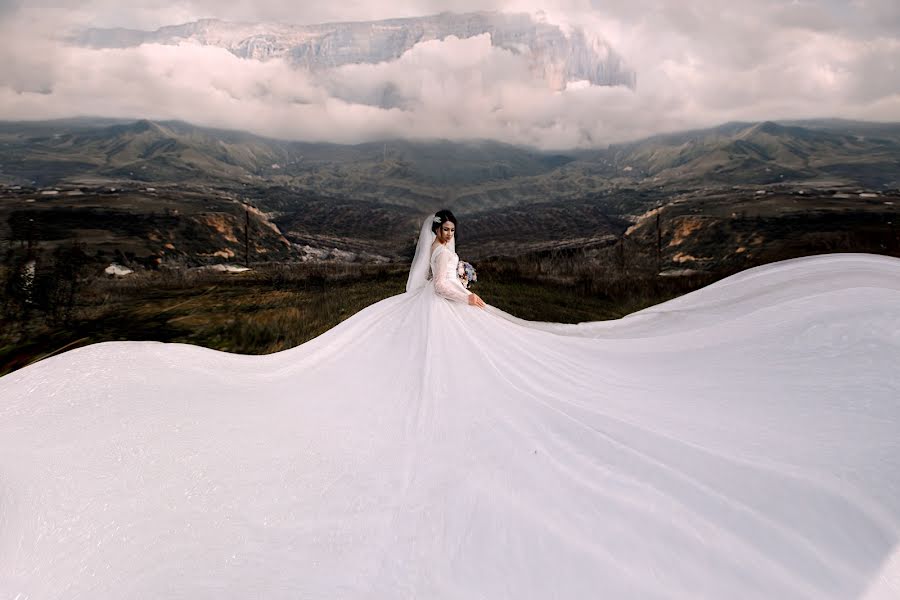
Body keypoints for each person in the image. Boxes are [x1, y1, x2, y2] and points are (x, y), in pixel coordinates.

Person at [0, 211, 898, 599]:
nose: (455, 240)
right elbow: (436, 292)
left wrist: (469, 285)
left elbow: (441, 279)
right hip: (443, 322)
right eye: (451, 232)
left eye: (456, 233)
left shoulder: (444, 247)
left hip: (449, 314)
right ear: (439, 235)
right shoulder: (439, 263)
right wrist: (466, 295)